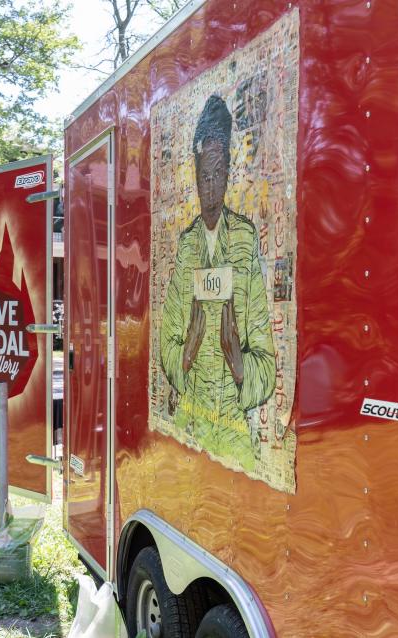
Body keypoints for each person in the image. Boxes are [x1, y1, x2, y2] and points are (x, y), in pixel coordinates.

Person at [159, 95, 276, 472]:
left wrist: (236, 357)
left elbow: (267, 363)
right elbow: (168, 344)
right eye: (203, 177)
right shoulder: (187, 245)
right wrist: (189, 350)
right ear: (195, 177)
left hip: (232, 432)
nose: (210, 188)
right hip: (189, 423)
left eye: (218, 174)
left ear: (228, 173)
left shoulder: (243, 238)